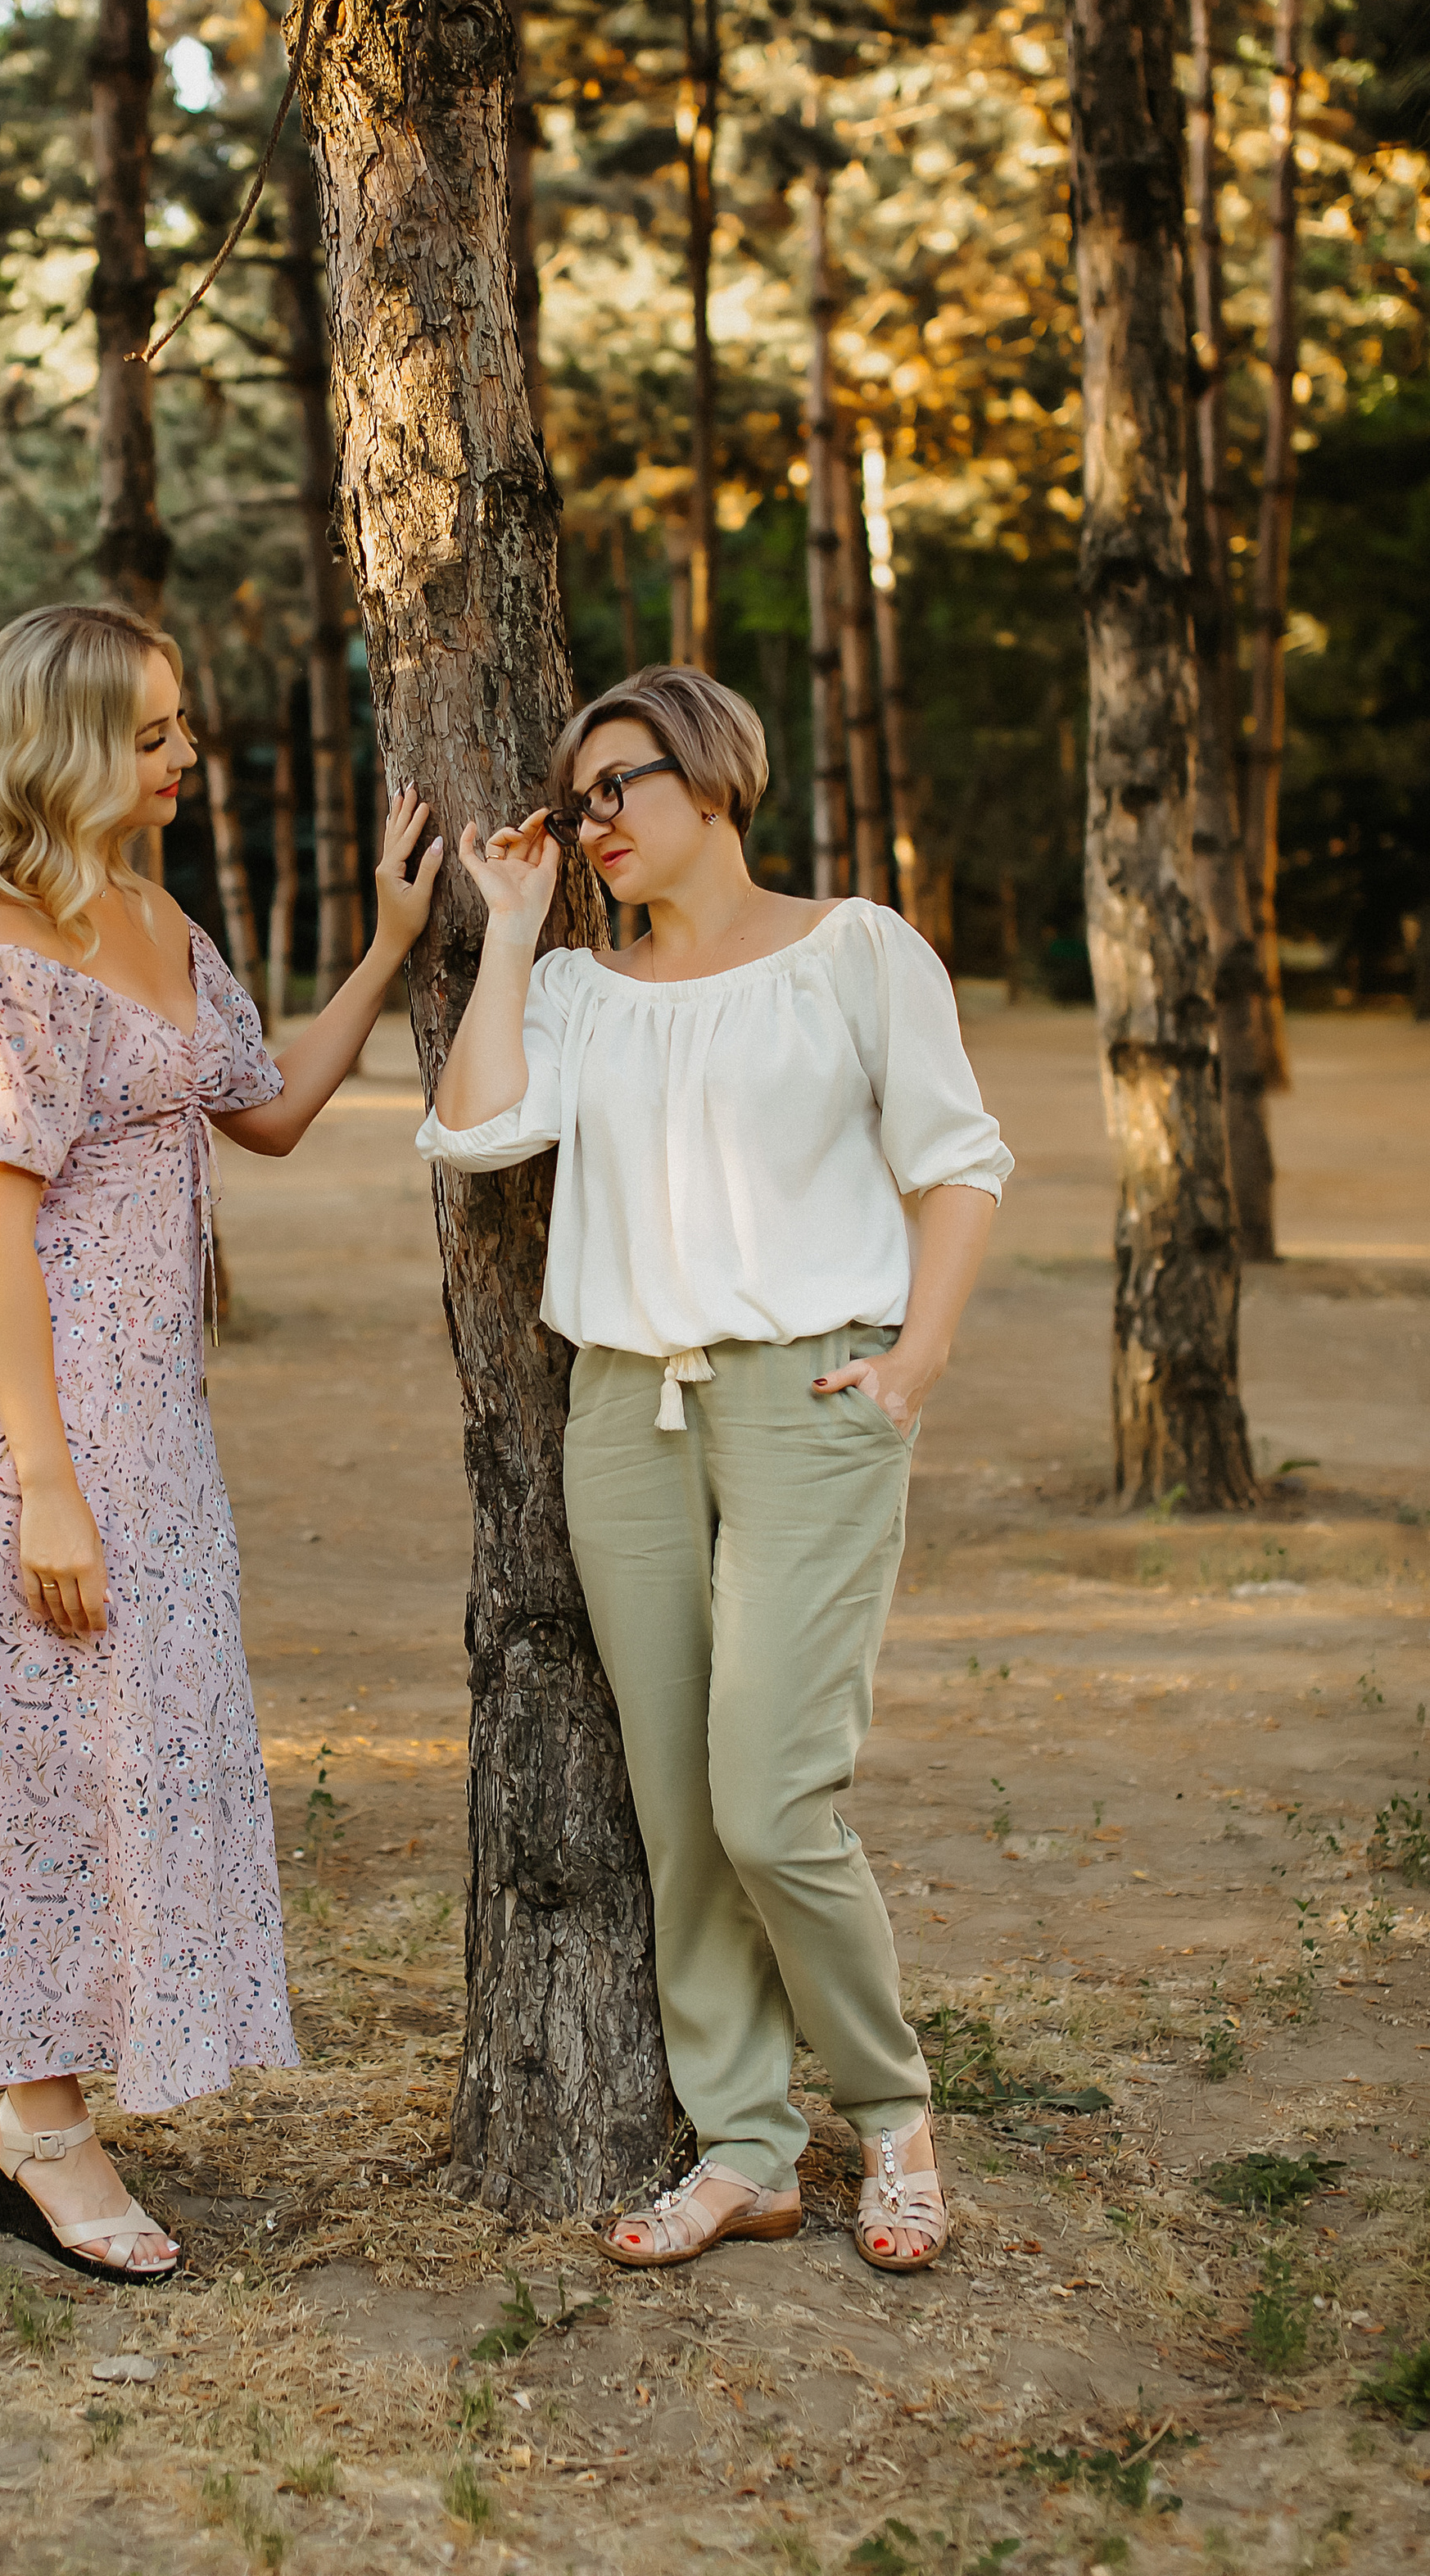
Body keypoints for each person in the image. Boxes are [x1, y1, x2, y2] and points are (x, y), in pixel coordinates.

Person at [0, 602, 440, 2284]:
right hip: (24, 1442)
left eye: (182, 729)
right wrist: (47, 1492)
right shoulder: (2, 961)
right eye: (150, 733)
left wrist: (385, 948)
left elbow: (275, 1114)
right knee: (30, 1787)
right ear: (66, 744)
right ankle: (38, 2125)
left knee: (118, 1785)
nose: (181, 760)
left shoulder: (161, 921)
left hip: (154, 1434)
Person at [418, 665, 1011, 2275]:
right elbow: (471, 1138)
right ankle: (747, 2146)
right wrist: (516, 929)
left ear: (713, 778)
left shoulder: (853, 950)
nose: (590, 816)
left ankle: (888, 2114)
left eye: (620, 786)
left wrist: (913, 1361)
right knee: (675, 1811)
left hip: (808, 1397)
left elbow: (956, 1161)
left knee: (767, 1801)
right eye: (576, 793)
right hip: (623, 1410)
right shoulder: (575, 991)